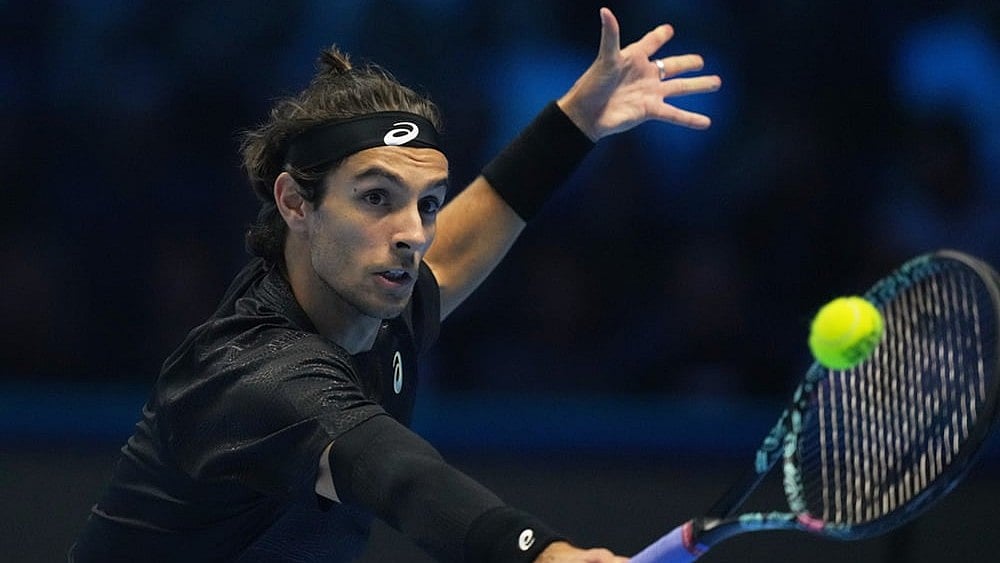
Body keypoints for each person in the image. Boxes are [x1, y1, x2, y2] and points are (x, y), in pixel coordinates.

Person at [70, 8, 721, 562]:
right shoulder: (258, 375)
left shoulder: (371, 296)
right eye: (376, 197)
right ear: (295, 203)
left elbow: (458, 247)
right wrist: (543, 553)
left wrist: (574, 122)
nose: (413, 233)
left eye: (427, 202)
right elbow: (399, 475)